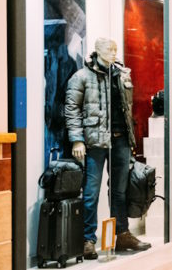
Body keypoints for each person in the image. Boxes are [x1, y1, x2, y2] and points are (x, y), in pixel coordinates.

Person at [65, 37, 151, 257]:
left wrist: (130, 139)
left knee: (120, 191)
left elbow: (128, 109)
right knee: (91, 192)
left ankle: (121, 234)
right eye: (109, 49)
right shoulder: (82, 77)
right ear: (97, 50)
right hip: (94, 141)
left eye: (115, 49)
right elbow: (72, 109)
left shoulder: (121, 75)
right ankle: (88, 239)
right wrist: (77, 139)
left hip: (121, 140)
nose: (113, 52)